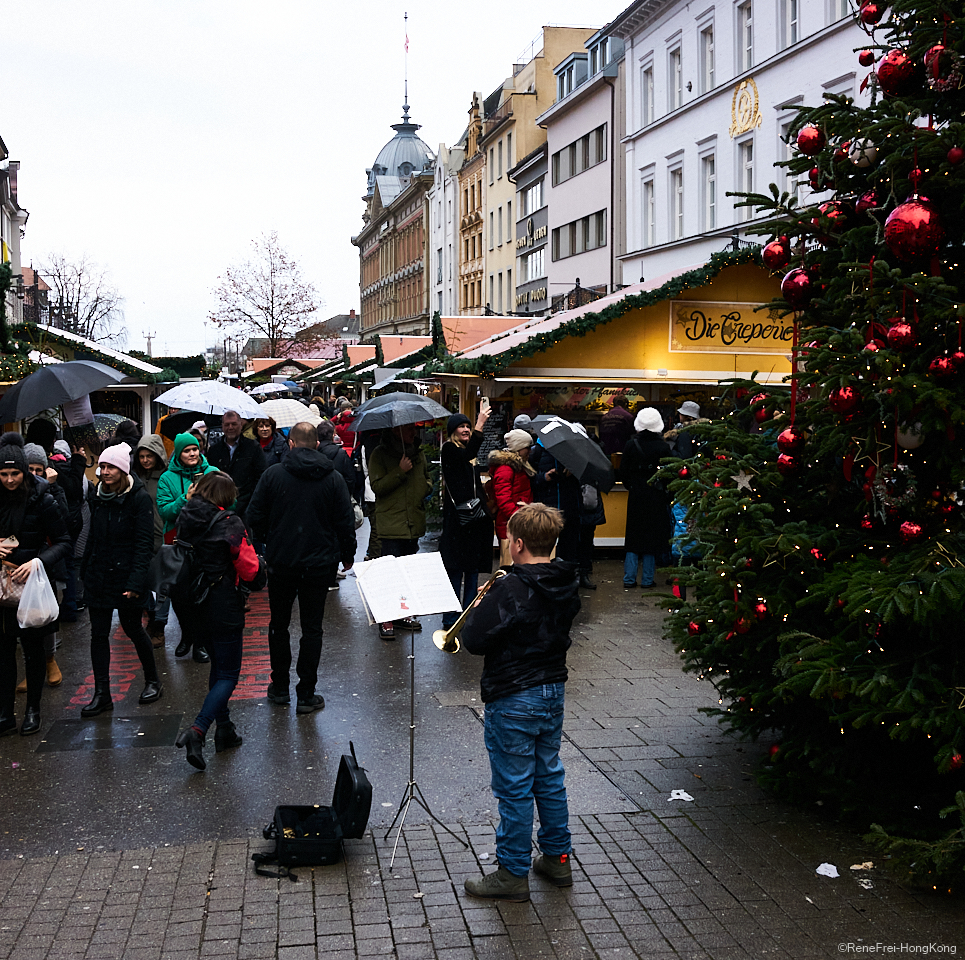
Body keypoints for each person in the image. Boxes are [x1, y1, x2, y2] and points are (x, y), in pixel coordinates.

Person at [461, 503, 581, 902]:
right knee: (548, 777)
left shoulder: (510, 586)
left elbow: (475, 641)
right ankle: (557, 858)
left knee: (514, 788)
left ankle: (512, 872)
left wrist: (481, 607)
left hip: (513, 693)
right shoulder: (565, 579)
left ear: (518, 543)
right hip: (552, 691)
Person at [247, 422, 356, 711]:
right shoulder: (332, 479)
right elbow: (345, 523)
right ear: (317, 445)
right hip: (319, 564)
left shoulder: (273, 475)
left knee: (279, 625)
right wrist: (348, 554)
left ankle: (280, 686)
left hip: (282, 561)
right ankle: (306, 693)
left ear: (291, 444)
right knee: (312, 628)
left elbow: (253, 515)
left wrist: (272, 536)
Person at [174, 472, 264, 770]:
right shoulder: (229, 523)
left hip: (192, 604)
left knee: (218, 666)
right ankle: (198, 730)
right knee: (227, 674)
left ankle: (225, 730)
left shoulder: (186, 516)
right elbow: (250, 569)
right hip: (222, 603)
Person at [78, 443, 163, 717]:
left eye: (110, 467)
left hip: (127, 575)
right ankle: (102, 693)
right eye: (102, 467)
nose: (104, 472)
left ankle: (152, 680)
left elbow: (143, 542)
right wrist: (86, 572)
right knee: (99, 634)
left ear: (123, 470)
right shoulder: (97, 496)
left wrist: (136, 582)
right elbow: (91, 536)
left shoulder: (138, 498)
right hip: (99, 574)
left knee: (133, 628)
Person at [0, 434, 71, 736]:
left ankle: (33, 709)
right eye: (3, 474)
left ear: (25, 472)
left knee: (33, 650)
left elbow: (64, 540)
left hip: (31, 583)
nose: (10, 480)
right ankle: (5, 712)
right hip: (1, 585)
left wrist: (38, 562)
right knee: (3, 652)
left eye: (15, 473)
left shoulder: (42, 497)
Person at [156, 432, 220, 661]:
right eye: (186, 450)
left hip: (204, 541)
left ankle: (200, 642)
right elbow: (165, 511)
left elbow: (227, 501)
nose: (192, 454)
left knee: (201, 593)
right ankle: (188, 634)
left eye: (195, 449)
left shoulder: (212, 472)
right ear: (179, 453)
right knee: (179, 595)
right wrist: (186, 497)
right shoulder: (167, 478)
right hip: (176, 542)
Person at [368, 422, 431, 640]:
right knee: (390, 575)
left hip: (413, 522)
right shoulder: (380, 454)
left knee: (406, 573)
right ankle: (386, 617)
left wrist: (425, 486)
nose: (414, 432)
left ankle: (403, 614)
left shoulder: (418, 454)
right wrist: (399, 472)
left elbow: (426, 479)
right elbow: (377, 487)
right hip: (392, 524)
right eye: (409, 429)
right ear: (396, 431)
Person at [439, 409, 493, 630]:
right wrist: (480, 423)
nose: (466, 430)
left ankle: (468, 614)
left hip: (474, 520)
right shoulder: (450, 449)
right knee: (454, 571)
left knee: (472, 570)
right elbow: (464, 457)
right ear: (453, 431)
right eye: (462, 427)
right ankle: (451, 618)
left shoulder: (467, 454)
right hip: (458, 522)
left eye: (469, 427)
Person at [23, 444, 66, 688]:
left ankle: (50, 660)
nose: (34, 474)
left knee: (46, 616)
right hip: (20, 567)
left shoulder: (50, 492)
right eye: (30, 469)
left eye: (39, 469)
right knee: (24, 619)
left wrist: (53, 487)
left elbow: (66, 523)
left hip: (47, 564)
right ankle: (33, 669)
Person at [620, 407, 672, 589]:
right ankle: (647, 580)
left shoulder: (630, 445)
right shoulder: (664, 447)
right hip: (655, 496)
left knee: (633, 538)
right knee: (651, 539)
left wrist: (633, 486)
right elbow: (670, 474)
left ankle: (629, 578)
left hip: (636, 495)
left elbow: (623, 472)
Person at [133, 435, 170, 646]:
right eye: (142, 456)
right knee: (144, 583)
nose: (146, 460)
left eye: (150, 456)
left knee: (165, 586)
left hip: (163, 537)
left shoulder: (166, 477)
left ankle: (159, 625)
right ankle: (153, 617)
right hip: (141, 539)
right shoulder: (135, 478)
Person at [488, 429, 535, 569]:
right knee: (509, 568)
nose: (529, 451)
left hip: (516, 524)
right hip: (511, 525)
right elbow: (504, 501)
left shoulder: (518, 467)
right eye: (527, 448)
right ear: (519, 448)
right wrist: (520, 515)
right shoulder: (506, 469)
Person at [207, 410, 266, 519]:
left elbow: (260, 476)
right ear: (222, 426)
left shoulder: (253, 447)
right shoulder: (214, 450)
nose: (230, 427)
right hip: (219, 506)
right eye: (227, 424)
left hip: (246, 505)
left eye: (234, 424)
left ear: (240, 425)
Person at [316, 419, 357, 493]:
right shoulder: (341, 454)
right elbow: (350, 478)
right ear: (332, 435)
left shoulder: (313, 453)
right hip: (338, 494)